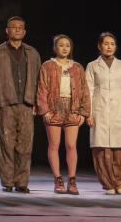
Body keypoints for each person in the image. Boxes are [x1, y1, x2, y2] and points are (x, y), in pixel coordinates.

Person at [0, 17, 41, 193]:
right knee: (6, 144)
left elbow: (39, 80)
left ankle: (22, 182)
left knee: (25, 145)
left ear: (24, 32)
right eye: (13, 27)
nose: (17, 29)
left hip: (27, 104)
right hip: (5, 103)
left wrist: (37, 103)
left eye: (20, 27)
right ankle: (8, 182)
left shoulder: (32, 53)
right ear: (7, 30)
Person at [37, 35, 91, 195]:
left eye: (67, 45)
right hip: (54, 108)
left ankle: (72, 180)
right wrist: (45, 110)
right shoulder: (47, 66)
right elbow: (42, 88)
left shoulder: (77, 67)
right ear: (55, 48)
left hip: (72, 108)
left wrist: (84, 113)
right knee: (54, 145)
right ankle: (58, 179)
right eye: (61, 45)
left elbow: (85, 90)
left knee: (71, 145)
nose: (65, 48)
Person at [85, 32, 121, 195]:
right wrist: (89, 114)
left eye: (112, 44)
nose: (109, 47)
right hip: (99, 110)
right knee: (102, 149)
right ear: (99, 46)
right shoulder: (92, 66)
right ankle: (108, 184)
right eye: (106, 43)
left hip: (120, 110)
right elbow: (88, 91)